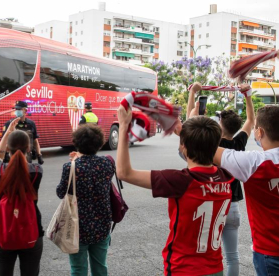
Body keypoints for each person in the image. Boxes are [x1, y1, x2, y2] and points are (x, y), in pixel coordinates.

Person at [116, 105, 234, 276]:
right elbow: (204, 151)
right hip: (215, 268)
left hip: (184, 269)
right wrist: (188, 136)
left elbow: (124, 173)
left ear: (183, 146)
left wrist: (123, 126)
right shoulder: (225, 177)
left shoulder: (181, 180)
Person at [187, 82, 254, 276]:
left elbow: (190, 122)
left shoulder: (211, 145)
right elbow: (251, 119)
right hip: (233, 206)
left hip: (213, 205)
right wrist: (247, 95)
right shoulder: (239, 142)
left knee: (207, 254)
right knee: (232, 256)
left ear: (219, 126)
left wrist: (193, 92)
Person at [213, 105, 279, 276]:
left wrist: (190, 120)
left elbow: (201, 148)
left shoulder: (252, 162)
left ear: (260, 132)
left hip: (270, 252)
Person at [57, 124, 114, 276]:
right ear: (100, 143)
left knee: (78, 269)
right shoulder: (107, 164)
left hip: (77, 227)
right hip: (102, 224)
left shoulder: (70, 167)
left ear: (76, 143)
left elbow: (61, 192)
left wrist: (76, 160)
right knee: (100, 267)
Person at [0, 118, 44, 276]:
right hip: (32, 231)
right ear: (29, 148)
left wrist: (7, 133)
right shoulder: (37, 171)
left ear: (8, 148)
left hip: (3, 232)